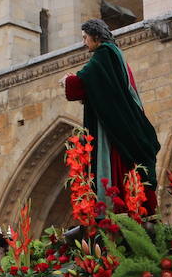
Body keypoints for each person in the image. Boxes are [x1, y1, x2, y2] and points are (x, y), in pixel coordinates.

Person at [63, 18, 160, 211]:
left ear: (96, 36)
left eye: (85, 37)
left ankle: (112, 208)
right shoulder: (115, 54)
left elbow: (84, 82)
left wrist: (67, 80)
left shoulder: (104, 54)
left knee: (116, 163)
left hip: (115, 127)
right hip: (123, 120)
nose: (84, 43)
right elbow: (106, 88)